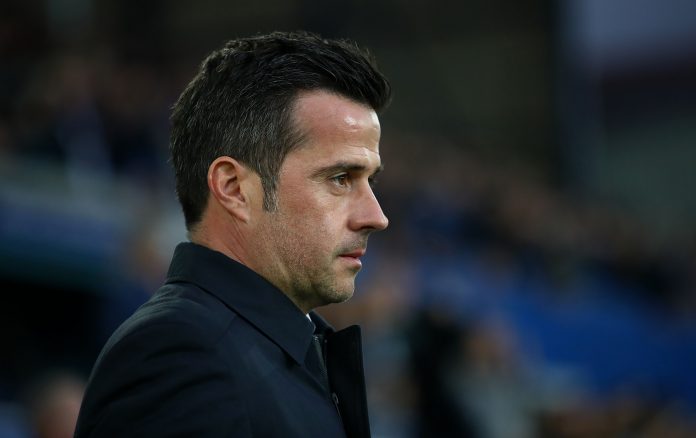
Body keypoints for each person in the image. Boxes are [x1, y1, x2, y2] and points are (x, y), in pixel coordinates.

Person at [74, 31, 391, 437]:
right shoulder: (180, 355)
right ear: (234, 188)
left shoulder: (281, 348)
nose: (376, 216)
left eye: (370, 181)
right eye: (340, 178)